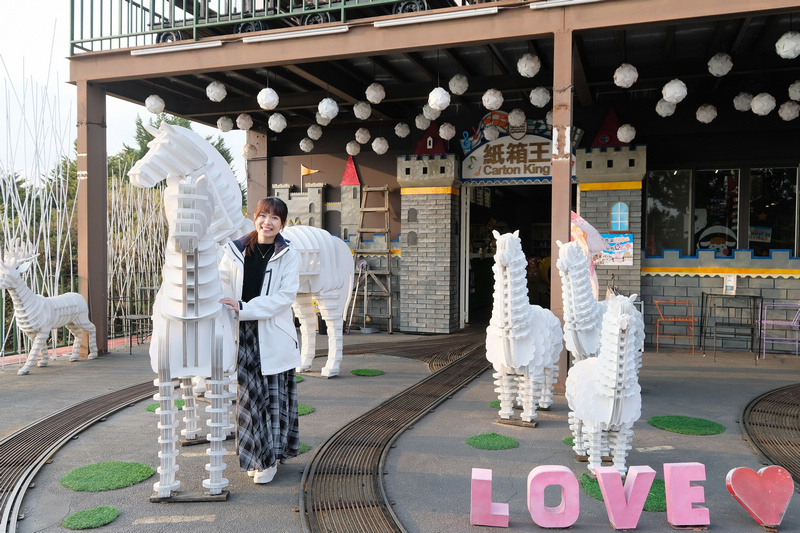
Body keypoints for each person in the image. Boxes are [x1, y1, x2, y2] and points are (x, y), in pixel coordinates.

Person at [219, 197, 301, 484]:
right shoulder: (234, 251)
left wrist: (245, 308)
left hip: (273, 333)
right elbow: (221, 286)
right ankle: (257, 457)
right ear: (254, 217)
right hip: (243, 334)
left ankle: (269, 461)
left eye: (275, 218)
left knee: (273, 398)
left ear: (283, 223)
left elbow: (285, 297)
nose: (268, 222)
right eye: (263, 215)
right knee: (249, 399)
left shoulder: (288, 254)